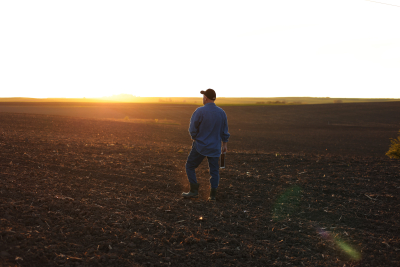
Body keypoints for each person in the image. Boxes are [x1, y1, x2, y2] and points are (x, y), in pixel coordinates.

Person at [182, 88, 230, 201]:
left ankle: (194, 191)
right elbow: (225, 131)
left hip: (201, 146)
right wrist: (225, 144)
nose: (203, 98)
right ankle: (212, 195)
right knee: (214, 171)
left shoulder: (199, 111)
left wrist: (195, 138)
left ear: (206, 98)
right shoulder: (222, 113)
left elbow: (192, 129)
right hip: (215, 147)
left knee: (189, 166)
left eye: (203, 96)